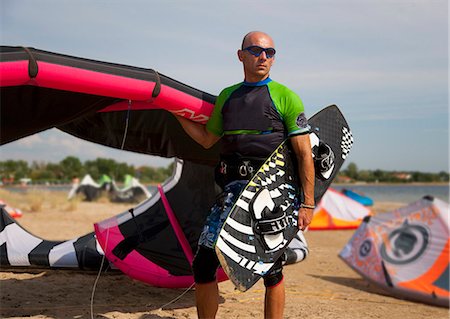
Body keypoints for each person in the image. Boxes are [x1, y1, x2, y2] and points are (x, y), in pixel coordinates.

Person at [175, 31, 315, 319]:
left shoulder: (286, 96)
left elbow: (303, 154)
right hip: (230, 192)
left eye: (270, 53)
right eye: (255, 50)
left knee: (271, 270)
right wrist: (175, 111)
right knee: (203, 263)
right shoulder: (228, 96)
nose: (263, 57)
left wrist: (308, 203)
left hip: (269, 191)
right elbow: (206, 140)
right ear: (241, 55)